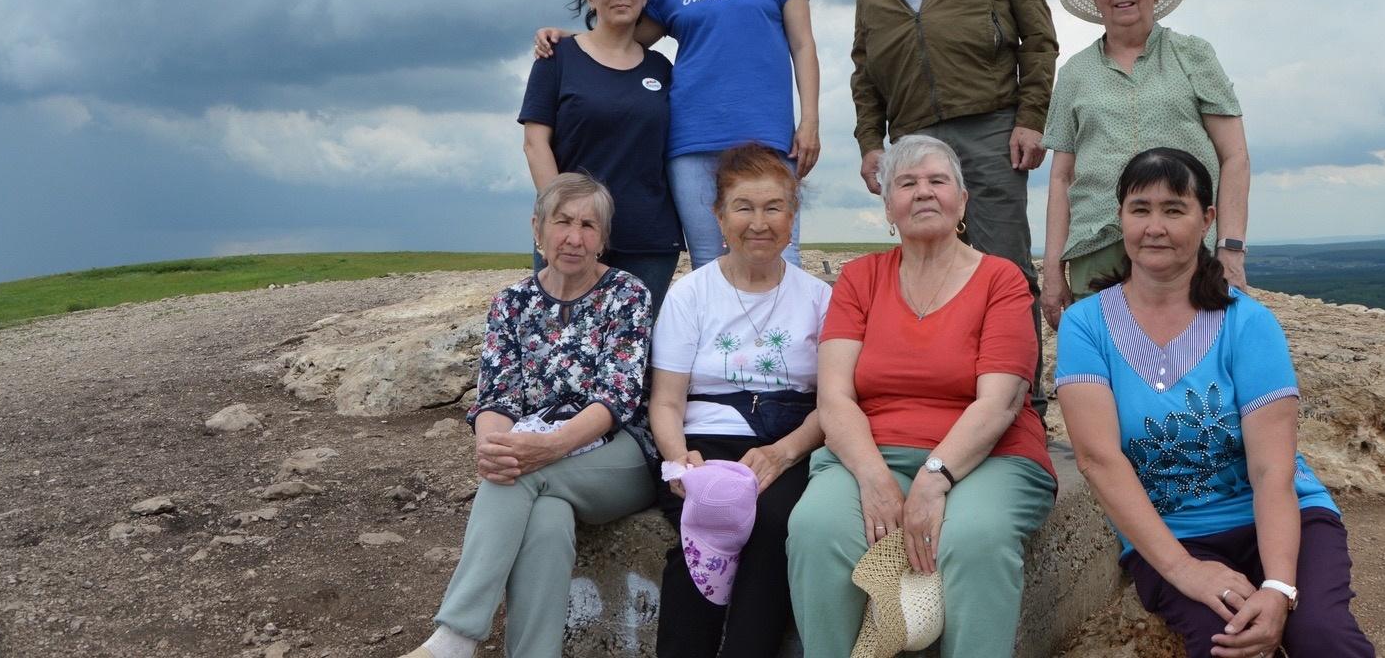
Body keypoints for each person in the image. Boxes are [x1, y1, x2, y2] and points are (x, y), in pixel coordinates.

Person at [1055, 148, 1374, 658]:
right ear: (1120, 218)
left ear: (1206, 219)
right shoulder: (1086, 324)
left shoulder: (1248, 322)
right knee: (1227, 646)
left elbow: (1273, 470)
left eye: (1173, 209)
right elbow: (1098, 458)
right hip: (1172, 535)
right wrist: (1185, 571)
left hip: (1281, 519)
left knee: (1323, 637)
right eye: (1140, 209)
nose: (1154, 226)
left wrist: (1279, 588)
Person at [786, 135, 1057, 658]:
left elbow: (999, 404)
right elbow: (836, 397)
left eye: (938, 181)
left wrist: (933, 481)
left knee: (975, 538)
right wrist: (872, 478)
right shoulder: (861, 278)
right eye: (907, 184)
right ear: (888, 208)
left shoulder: (1001, 279)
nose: (924, 193)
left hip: (988, 456)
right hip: (874, 451)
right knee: (816, 527)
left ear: (962, 200)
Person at [400, 173, 655, 658]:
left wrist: (548, 448)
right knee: (545, 519)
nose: (574, 237)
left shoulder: (627, 293)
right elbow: (496, 398)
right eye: (562, 222)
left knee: (516, 479)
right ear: (537, 229)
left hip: (618, 452)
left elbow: (616, 398)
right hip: (538, 455)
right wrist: (494, 445)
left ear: (604, 238)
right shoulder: (512, 302)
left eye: (588, 225)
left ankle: (456, 638)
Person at [849, 0, 1057, 414]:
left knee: (1004, 270)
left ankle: (1021, 410)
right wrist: (871, 142)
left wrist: (1030, 117)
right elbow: (865, 62)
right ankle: (948, 401)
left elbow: (1039, 40)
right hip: (911, 138)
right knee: (924, 272)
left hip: (991, 123)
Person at [537, 0, 821, 269]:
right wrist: (570, 39)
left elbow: (803, 44)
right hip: (691, 141)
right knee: (709, 263)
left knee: (780, 257)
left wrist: (810, 119)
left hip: (766, 134)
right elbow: (620, 39)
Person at [649, 143, 831, 657]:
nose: (759, 223)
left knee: (774, 522)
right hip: (704, 436)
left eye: (774, 207)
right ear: (719, 216)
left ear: (792, 217)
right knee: (710, 510)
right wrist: (678, 459)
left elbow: (834, 401)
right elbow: (666, 401)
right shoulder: (692, 294)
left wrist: (784, 452)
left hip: (790, 439)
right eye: (743, 207)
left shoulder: (820, 298)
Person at [1041, 0, 1250, 332]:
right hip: (1096, 249)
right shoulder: (1073, 74)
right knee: (1102, 370)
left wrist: (1231, 249)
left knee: (1187, 362)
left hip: (1182, 244)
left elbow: (1234, 156)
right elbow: (1061, 176)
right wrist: (1053, 270)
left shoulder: (1193, 55)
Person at [519, 0, 681, 310]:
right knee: (559, 346)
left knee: (633, 356)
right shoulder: (557, 57)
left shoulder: (662, 69)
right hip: (572, 235)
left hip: (648, 239)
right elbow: (535, 143)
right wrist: (559, 218)